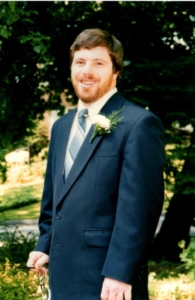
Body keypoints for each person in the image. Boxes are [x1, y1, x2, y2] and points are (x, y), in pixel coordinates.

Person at [27, 28, 165, 300]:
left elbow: (140, 210)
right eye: (80, 62)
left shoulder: (138, 124)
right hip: (63, 276)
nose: (86, 71)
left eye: (98, 63)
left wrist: (119, 273)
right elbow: (54, 201)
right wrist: (45, 245)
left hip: (108, 283)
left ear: (116, 71)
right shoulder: (61, 126)